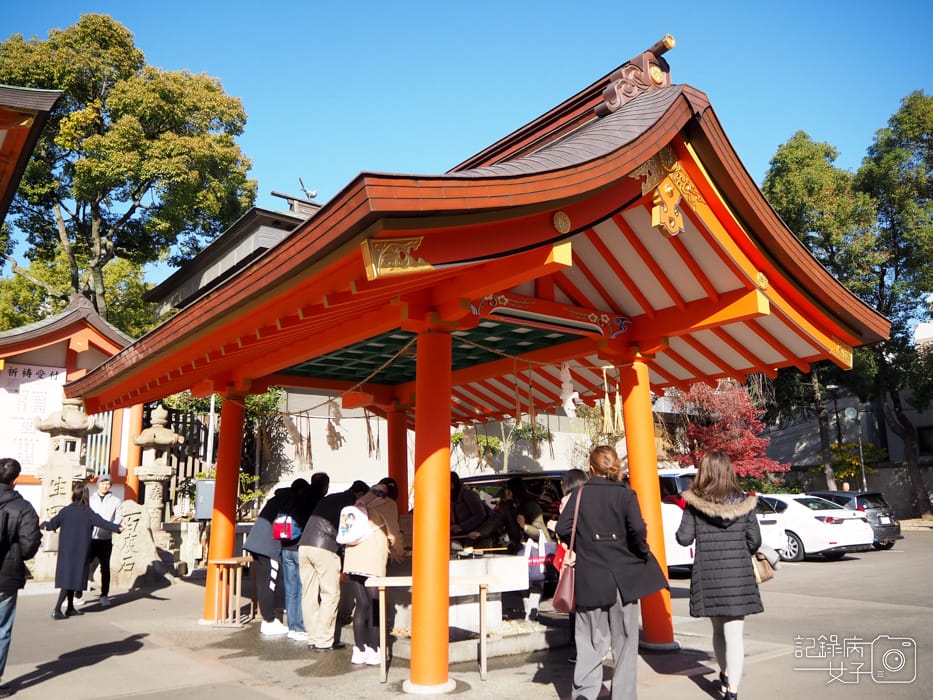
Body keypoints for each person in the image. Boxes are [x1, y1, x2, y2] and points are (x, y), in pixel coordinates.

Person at [556, 446, 668, 700]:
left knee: (590, 642)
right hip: (624, 579)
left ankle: (585, 693)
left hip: (590, 578)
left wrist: (584, 545)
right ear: (614, 466)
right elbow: (638, 529)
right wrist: (639, 551)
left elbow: (563, 528)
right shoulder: (626, 495)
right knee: (626, 643)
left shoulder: (580, 493)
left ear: (591, 468)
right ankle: (624, 696)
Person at [675, 451, 763, 700]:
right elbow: (755, 542)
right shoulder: (746, 503)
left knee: (718, 631)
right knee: (734, 634)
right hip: (738, 578)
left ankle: (724, 673)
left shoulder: (694, 504)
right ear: (729, 472)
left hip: (709, 576)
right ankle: (732, 691)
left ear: (704, 473)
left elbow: (683, 539)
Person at [298, 480, 369, 652]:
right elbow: (349, 531)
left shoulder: (331, 498)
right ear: (360, 494)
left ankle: (313, 637)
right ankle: (324, 641)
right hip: (324, 547)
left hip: (304, 546)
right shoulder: (351, 505)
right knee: (330, 594)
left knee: (309, 594)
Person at [342, 477, 404, 666]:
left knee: (361, 605)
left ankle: (359, 650)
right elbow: (393, 532)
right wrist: (398, 552)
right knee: (376, 606)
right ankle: (376, 650)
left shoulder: (360, 502)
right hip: (371, 561)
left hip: (352, 559)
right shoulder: (388, 504)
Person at [41, 483, 122, 620]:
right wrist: (118, 528)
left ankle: (70, 608)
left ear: (74, 494)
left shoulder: (65, 511)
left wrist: (42, 524)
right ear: (85, 496)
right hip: (80, 551)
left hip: (66, 551)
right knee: (71, 579)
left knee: (70, 578)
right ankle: (57, 609)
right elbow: (103, 523)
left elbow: (52, 524)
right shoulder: (87, 512)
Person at [0, 458, 41, 698]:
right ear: (15, 479)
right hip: (6, 575)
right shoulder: (23, 507)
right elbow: (29, 546)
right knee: (2, 629)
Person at [280, 476, 328, 642]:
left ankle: (292, 626)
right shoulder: (315, 500)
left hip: (285, 547)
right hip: (300, 547)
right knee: (303, 589)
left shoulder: (290, 499)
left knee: (290, 589)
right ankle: (301, 627)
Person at [243, 485, 290, 637]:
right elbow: (283, 528)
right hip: (268, 546)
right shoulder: (285, 504)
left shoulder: (273, 501)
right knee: (269, 584)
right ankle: (269, 621)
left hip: (256, 544)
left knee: (263, 583)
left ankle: (268, 619)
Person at [83, 474, 121, 607]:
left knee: (105, 568)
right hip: (90, 538)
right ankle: (77, 593)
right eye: (103, 483)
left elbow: (117, 519)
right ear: (98, 484)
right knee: (84, 566)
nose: (105, 486)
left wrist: (111, 529)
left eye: (108, 484)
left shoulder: (115, 501)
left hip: (105, 539)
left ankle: (104, 595)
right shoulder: (90, 499)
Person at [450, 471, 489, 545]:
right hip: (463, 537)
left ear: (452, 485)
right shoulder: (452, 498)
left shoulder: (468, 494)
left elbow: (480, 514)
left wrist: (462, 527)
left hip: (476, 538)